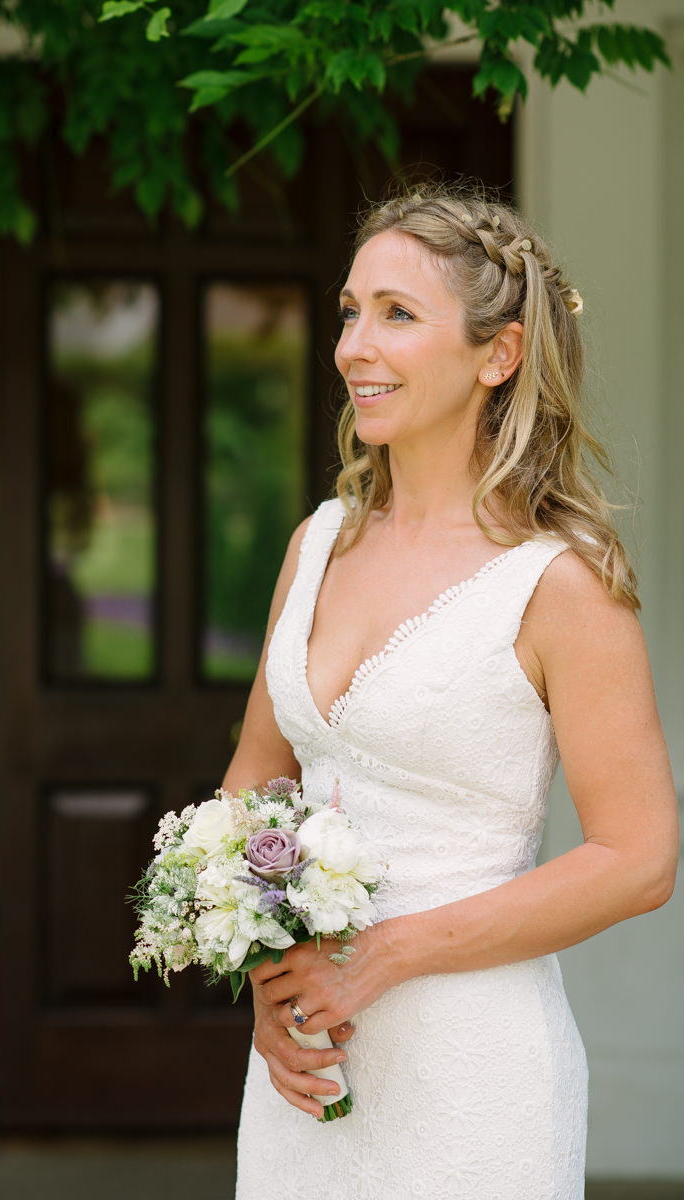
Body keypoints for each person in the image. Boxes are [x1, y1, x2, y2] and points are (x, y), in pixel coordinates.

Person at [222, 183, 678, 1199]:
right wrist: (267, 973)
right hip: (308, 1070)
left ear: (498, 354)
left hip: (474, 1077)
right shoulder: (318, 541)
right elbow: (258, 773)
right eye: (350, 310)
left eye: (396, 314)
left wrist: (387, 954)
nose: (352, 346)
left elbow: (640, 858)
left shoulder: (561, 580)